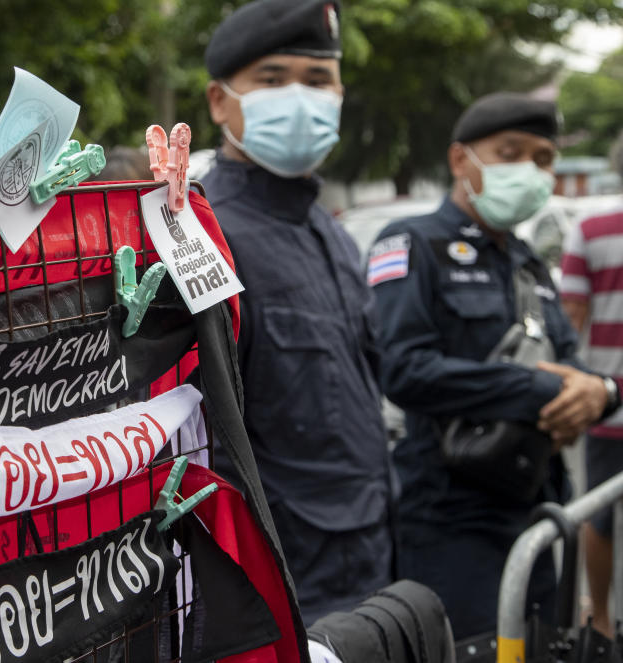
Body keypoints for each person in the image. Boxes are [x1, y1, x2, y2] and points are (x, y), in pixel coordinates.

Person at [370, 92, 623, 638]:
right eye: (512, 152)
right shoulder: (412, 244)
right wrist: (533, 389)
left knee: (539, 646)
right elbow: (405, 371)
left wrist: (601, 391)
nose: (531, 171)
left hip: (539, 502)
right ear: (462, 161)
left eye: (543, 159)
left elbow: (570, 361)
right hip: (451, 516)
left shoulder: (528, 263)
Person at [200, 0, 394, 623]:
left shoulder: (330, 234)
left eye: (317, 81)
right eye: (273, 79)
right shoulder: (202, 237)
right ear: (219, 102)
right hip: (281, 594)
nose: (299, 98)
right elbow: (206, 448)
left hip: (369, 565)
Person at [558, 128, 623, 637]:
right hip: (604, 401)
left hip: (606, 401)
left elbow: (571, 315)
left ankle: (599, 619)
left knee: (598, 517)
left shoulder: (593, 225)